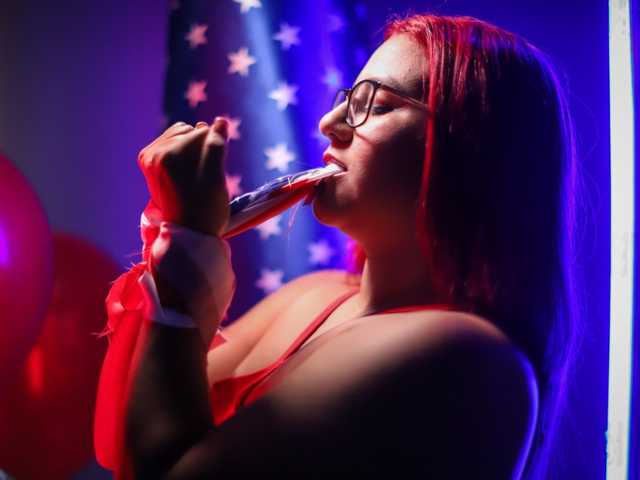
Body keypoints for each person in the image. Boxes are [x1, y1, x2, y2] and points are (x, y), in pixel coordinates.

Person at [94, 13, 582, 480]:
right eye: (348, 98)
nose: (329, 122)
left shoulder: (466, 353)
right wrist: (177, 244)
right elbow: (130, 427)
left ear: (473, 151)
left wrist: (187, 248)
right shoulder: (315, 293)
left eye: (379, 105)